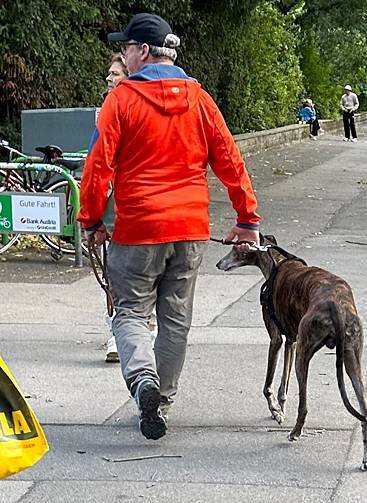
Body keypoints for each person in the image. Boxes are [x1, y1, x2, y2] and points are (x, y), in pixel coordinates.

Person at [78, 13, 260, 441]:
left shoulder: (121, 100)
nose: (122, 54)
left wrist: (90, 221)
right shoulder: (199, 98)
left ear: (142, 51)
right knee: (175, 316)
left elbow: (98, 166)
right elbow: (230, 160)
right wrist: (246, 219)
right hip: (189, 226)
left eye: (125, 48)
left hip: (136, 227)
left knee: (130, 312)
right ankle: (162, 398)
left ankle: (143, 381)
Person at [101, 54, 128, 364]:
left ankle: (137, 330)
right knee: (112, 273)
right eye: (109, 73)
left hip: (134, 209)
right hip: (112, 209)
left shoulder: (130, 109)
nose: (109, 79)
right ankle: (115, 331)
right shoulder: (104, 112)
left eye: (116, 74)